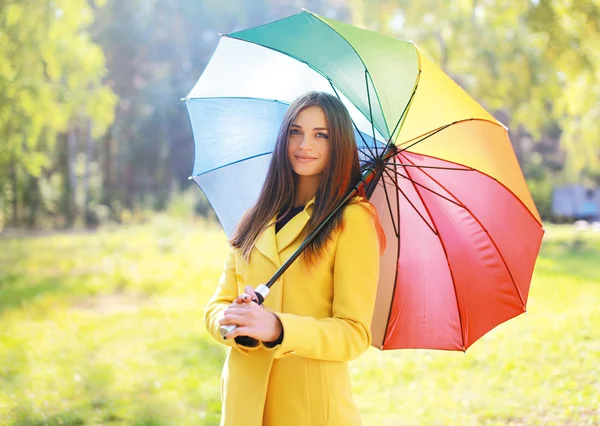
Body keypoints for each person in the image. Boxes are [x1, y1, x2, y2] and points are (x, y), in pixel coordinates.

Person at [204, 91, 386, 426]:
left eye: (321, 135)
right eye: (296, 131)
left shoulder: (353, 220)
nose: (304, 145)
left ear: (339, 145)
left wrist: (277, 328)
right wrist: (234, 321)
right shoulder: (255, 216)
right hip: (244, 405)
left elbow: (353, 334)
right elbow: (216, 306)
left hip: (308, 408)